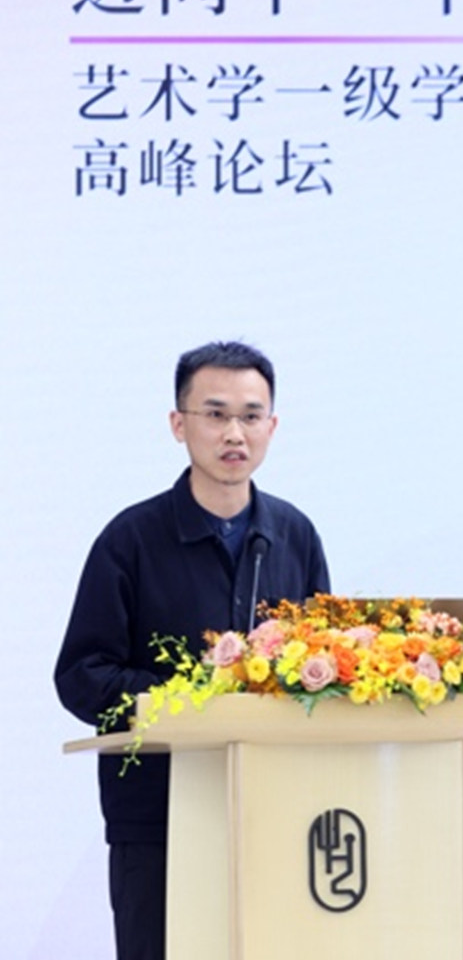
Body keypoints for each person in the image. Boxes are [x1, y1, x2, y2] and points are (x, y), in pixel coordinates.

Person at [55, 340, 330, 960]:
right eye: (215, 414)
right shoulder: (130, 540)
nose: (234, 433)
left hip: (275, 812)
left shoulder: (294, 535)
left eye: (251, 416)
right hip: (158, 818)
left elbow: (322, 667)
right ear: (179, 424)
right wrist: (186, 699)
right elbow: (79, 675)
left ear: (272, 427)